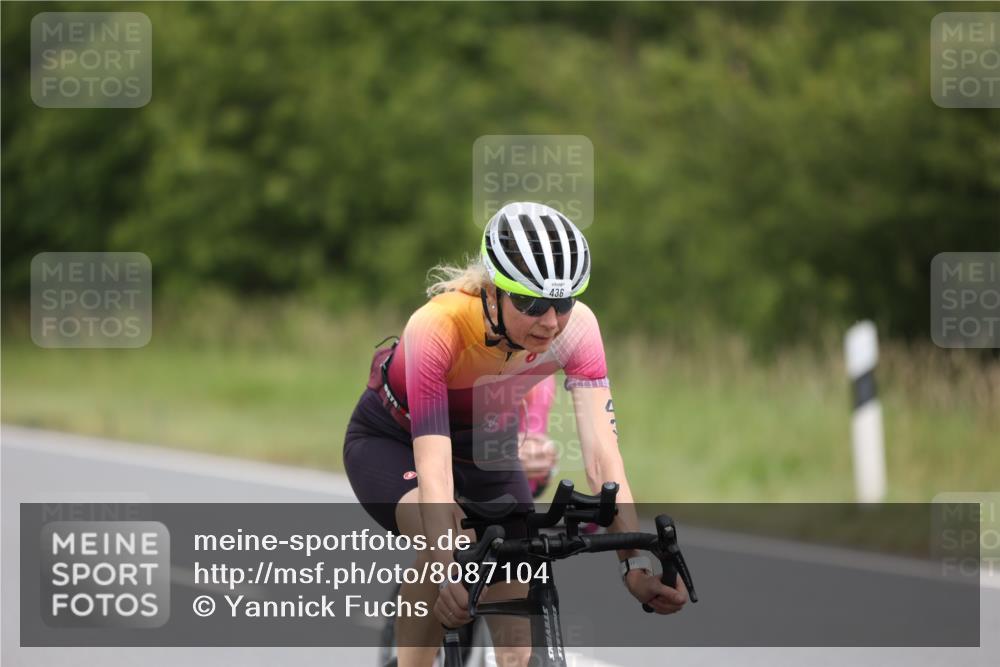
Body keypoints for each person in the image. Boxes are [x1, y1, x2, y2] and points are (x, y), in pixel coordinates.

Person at [343, 202, 687, 667]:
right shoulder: (438, 326)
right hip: (394, 441)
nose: (550, 321)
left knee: (519, 640)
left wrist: (634, 565)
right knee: (450, 538)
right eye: (531, 303)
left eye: (562, 303)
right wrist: (449, 572)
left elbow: (606, 463)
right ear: (493, 290)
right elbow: (436, 476)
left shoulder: (578, 330)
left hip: (489, 448)